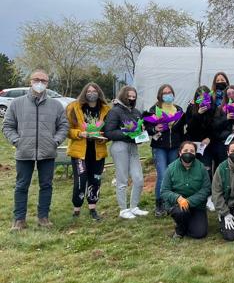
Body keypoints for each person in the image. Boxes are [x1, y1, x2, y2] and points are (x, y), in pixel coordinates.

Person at [3, 69, 69, 230]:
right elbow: (8, 126)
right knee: (21, 186)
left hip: (47, 152)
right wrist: (17, 141)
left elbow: (63, 125)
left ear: (47, 84)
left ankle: (43, 217)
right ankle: (19, 220)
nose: (40, 83)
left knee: (46, 185)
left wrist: (56, 141)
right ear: (30, 81)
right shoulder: (17, 103)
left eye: (44, 81)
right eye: (37, 79)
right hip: (24, 152)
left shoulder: (56, 105)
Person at [66, 82, 110, 221]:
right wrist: (79, 133)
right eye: (89, 91)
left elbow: (109, 130)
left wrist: (104, 138)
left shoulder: (106, 109)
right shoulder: (74, 107)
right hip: (79, 151)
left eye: (95, 90)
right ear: (85, 92)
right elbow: (66, 129)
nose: (92, 93)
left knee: (95, 180)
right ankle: (76, 209)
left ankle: (92, 208)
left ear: (99, 93)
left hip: (97, 151)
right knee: (81, 179)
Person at [103, 86, 148, 219]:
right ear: (123, 96)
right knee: (122, 179)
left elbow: (139, 130)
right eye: (129, 96)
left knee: (138, 178)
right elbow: (109, 132)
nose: (131, 99)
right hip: (120, 147)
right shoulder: (115, 111)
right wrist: (127, 133)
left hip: (133, 147)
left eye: (134, 97)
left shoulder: (137, 112)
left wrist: (140, 134)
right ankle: (123, 209)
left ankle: (134, 206)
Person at [144, 84, 185, 217]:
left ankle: (171, 201)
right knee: (162, 174)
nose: (168, 95)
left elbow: (181, 130)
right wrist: (155, 129)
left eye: (170, 92)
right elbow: (147, 127)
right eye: (165, 93)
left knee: (172, 175)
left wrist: (182, 144)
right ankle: (159, 203)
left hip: (174, 147)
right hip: (159, 147)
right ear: (160, 95)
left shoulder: (178, 110)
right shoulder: (154, 110)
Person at [161, 141, 211, 239]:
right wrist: (178, 198)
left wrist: (189, 201)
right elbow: (164, 191)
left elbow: (206, 189)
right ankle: (180, 229)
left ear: (195, 154)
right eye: (185, 150)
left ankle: (189, 222)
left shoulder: (202, 168)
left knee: (200, 233)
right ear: (180, 152)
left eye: (192, 151)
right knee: (180, 212)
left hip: (197, 206)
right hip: (178, 205)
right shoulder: (171, 168)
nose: (188, 153)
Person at [184, 85, 213, 171]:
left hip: (206, 145)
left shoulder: (212, 109)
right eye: (199, 96)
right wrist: (198, 114)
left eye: (204, 96)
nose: (202, 99)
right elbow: (189, 127)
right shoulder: (191, 108)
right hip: (192, 144)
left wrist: (209, 138)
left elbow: (214, 127)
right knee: (191, 168)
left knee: (205, 170)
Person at [205, 72, 230, 173]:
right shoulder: (211, 99)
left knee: (226, 166)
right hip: (214, 137)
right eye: (218, 80)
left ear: (227, 82)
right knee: (215, 167)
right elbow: (210, 120)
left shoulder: (231, 97)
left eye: (222, 80)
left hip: (227, 137)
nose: (220, 82)